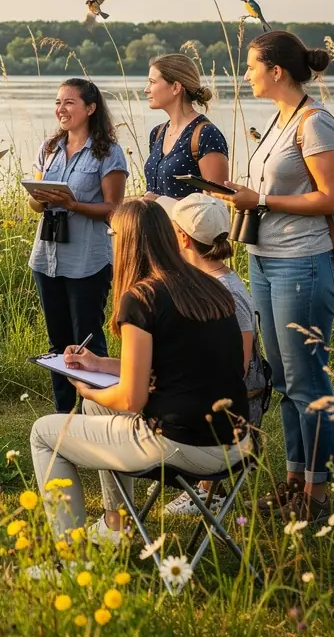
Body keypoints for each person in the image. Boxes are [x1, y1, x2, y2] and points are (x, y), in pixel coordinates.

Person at [28, 199, 251, 542]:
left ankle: (69, 557)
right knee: (95, 410)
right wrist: (98, 364)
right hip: (235, 443)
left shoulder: (143, 298)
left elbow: (132, 399)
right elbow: (176, 363)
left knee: (45, 433)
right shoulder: (208, 286)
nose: (111, 240)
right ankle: (118, 525)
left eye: (113, 234)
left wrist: (88, 388)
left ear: (127, 241)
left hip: (183, 445)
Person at [219, 31, 334, 523]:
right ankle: (295, 479)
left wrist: (265, 202)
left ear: (276, 70)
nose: (246, 74)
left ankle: (317, 496)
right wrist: (243, 193)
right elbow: (275, 188)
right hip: (266, 259)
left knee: (308, 380)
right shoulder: (279, 121)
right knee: (284, 379)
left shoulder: (316, 123)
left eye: (251, 66)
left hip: (303, 264)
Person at [28, 78, 127, 412]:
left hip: (88, 260)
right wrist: (40, 200)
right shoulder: (49, 148)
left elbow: (114, 209)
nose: (61, 109)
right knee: (57, 343)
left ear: (90, 108)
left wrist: (73, 204)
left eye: (69, 102)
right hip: (47, 259)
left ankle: (96, 411)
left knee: (86, 341)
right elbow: (33, 203)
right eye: (58, 102)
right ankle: (63, 413)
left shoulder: (108, 152)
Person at [155, 192, 256, 515]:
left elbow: (237, 366)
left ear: (182, 238)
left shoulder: (227, 291)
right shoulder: (200, 280)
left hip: (223, 408)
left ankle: (207, 490)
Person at [143, 53, 229, 199]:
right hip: (152, 223)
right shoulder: (157, 133)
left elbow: (218, 202)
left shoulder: (206, 134)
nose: (146, 89)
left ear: (176, 87)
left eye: (152, 82)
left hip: (188, 223)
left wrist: (160, 202)